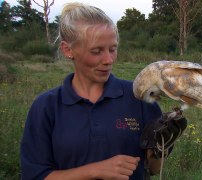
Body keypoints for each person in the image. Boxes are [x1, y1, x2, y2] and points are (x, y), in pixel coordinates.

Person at [20, 3, 187, 180]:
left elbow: (153, 169)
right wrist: (95, 170)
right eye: (96, 51)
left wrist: (159, 150)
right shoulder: (46, 107)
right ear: (68, 50)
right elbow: (34, 175)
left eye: (112, 49)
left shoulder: (140, 97)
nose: (108, 60)